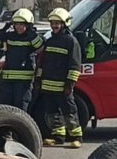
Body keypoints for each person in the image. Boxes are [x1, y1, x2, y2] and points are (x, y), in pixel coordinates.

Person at [33, 8, 83, 148]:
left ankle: (76, 137)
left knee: (69, 112)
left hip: (63, 86)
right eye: (52, 23)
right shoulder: (49, 41)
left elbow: (75, 64)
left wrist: (70, 84)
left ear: (65, 23)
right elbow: (42, 62)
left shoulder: (71, 41)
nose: (54, 26)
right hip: (48, 85)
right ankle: (58, 137)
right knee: (51, 113)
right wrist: (38, 79)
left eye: (57, 23)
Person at [0, 8, 43, 111]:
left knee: (21, 106)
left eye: (22, 24)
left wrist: (31, 33)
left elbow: (40, 47)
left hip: (24, 80)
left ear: (28, 25)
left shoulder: (32, 37)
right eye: (16, 24)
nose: (18, 27)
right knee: (5, 106)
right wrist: (3, 30)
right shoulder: (9, 36)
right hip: (8, 79)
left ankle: (20, 127)